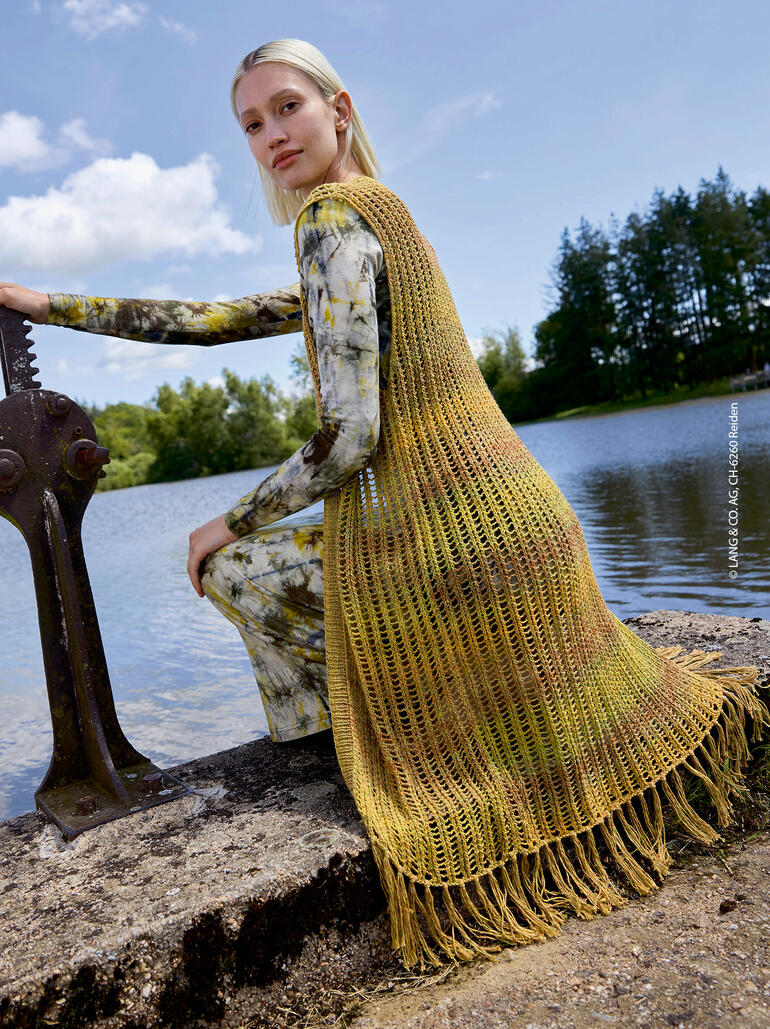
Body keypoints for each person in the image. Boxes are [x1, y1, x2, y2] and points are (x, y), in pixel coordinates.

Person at [1, 39, 767, 971]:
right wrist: (46, 302)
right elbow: (215, 322)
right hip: (523, 535)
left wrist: (223, 523)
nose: (271, 135)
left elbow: (348, 438)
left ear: (340, 108)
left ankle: (363, 744)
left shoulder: (333, 222)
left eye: (287, 109)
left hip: (454, 554)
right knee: (307, 550)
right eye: (251, 124)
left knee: (233, 568)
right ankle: (375, 725)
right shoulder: (381, 216)